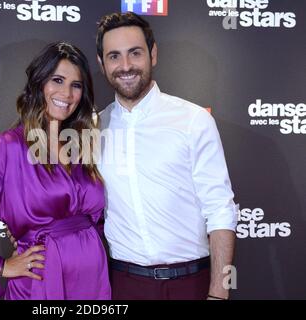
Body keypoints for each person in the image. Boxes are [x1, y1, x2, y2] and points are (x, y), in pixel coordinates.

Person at [0, 42, 111, 300]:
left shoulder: (83, 144)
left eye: (76, 85)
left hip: (93, 279)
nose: (67, 93)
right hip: (41, 280)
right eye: (57, 80)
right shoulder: (10, 146)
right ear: (39, 84)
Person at [95, 12, 237, 300]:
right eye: (114, 56)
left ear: (153, 53)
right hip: (122, 285)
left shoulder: (193, 120)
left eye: (135, 53)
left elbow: (221, 209)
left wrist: (220, 293)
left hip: (192, 283)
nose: (125, 66)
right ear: (102, 64)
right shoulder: (94, 129)